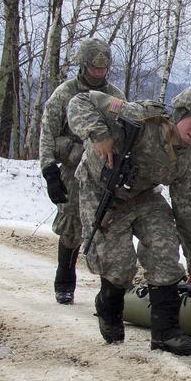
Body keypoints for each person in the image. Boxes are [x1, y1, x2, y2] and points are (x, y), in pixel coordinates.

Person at [67, 84, 191, 356]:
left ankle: (166, 333)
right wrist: (99, 134)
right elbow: (81, 101)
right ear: (180, 113)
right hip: (101, 191)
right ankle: (108, 307)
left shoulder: (186, 163)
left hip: (143, 196)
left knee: (165, 250)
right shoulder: (139, 117)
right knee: (119, 266)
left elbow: (187, 215)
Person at [39, 38, 125, 305]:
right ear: (84, 65)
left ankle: (109, 291)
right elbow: (47, 134)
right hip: (72, 169)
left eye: (103, 68)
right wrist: (49, 171)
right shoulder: (65, 94)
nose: (99, 73)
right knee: (71, 226)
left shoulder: (114, 97)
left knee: (106, 224)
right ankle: (64, 281)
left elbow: (126, 130)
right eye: (94, 68)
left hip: (103, 170)